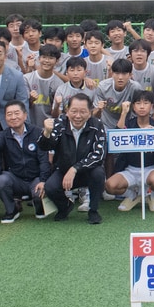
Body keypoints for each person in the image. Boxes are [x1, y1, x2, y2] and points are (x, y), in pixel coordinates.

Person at [39, 95, 106, 224]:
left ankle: (93, 210)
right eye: (74, 111)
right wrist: (46, 133)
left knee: (99, 173)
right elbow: (45, 146)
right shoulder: (59, 124)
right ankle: (65, 207)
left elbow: (98, 155)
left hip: (87, 171)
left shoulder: (97, 125)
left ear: (90, 112)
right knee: (51, 187)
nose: (78, 116)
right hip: (63, 171)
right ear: (67, 111)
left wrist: (75, 168)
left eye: (83, 112)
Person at [0, 101, 51, 224]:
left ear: (25, 115)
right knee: (1, 180)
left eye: (17, 113)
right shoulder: (3, 135)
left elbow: (44, 159)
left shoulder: (37, 132)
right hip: (16, 178)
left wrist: (43, 180)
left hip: (35, 178)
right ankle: (12, 210)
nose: (13, 117)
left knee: (38, 193)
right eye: (9, 114)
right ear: (5, 118)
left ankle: (39, 207)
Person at [106, 90, 154, 213]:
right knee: (110, 186)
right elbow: (117, 139)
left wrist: (153, 136)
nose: (142, 106)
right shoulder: (128, 124)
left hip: (150, 169)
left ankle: (152, 195)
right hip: (130, 169)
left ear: (151, 106)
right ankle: (134, 194)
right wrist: (124, 113)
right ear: (133, 107)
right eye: (138, 103)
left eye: (146, 103)